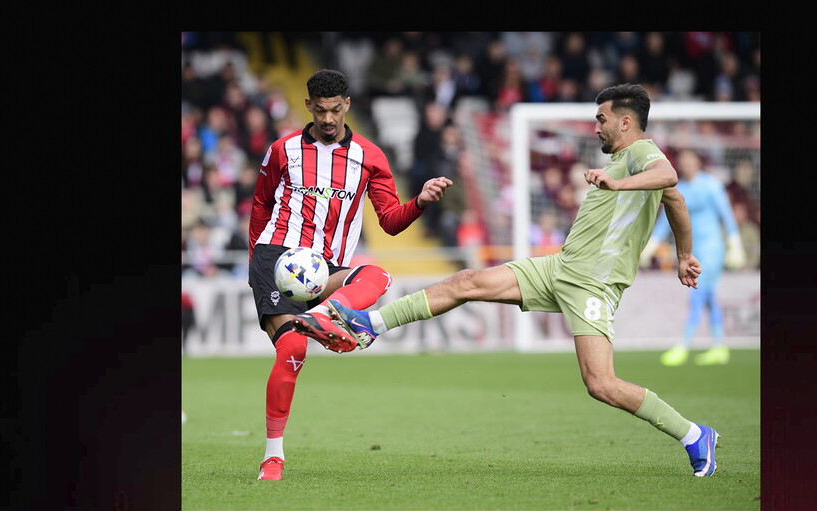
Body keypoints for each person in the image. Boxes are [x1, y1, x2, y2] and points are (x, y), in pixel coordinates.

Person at [308, 83, 721, 477]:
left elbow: (668, 176)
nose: (596, 127)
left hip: (593, 284)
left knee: (601, 384)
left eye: (601, 119)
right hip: (561, 267)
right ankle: (370, 324)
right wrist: (684, 255)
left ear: (625, 123)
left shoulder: (640, 153)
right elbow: (676, 201)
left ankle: (694, 435)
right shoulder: (620, 159)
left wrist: (619, 183)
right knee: (467, 281)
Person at [247, 69, 453, 481]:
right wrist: (258, 265)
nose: (327, 119)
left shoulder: (370, 157)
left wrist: (421, 201)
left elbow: (391, 222)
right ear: (308, 106)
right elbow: (260, 206)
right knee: (293, 348)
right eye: (320, 110)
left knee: (378, 275)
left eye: (335, 110)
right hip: (277, 258)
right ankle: (273, 457)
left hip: (326, 268)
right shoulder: (283, 150)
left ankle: (322, 319)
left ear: (347, 106)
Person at [641, 148, 746, 367]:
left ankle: (683, 345)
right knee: (708, 296)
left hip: (712, 248)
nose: (686, 165)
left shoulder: (711, 185)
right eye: (683, 162)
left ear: (698, 162)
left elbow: (726, 214)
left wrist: (734, 243)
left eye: (690, 161)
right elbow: (665, 222)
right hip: (692, 251)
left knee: (698, 293)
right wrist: (651, 246)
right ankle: (719, 346)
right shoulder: (680, 190)